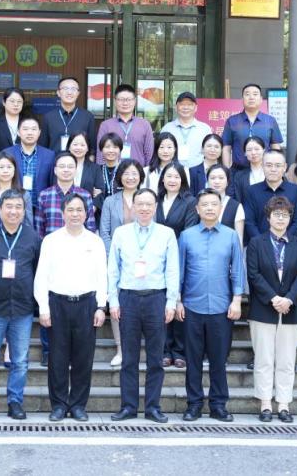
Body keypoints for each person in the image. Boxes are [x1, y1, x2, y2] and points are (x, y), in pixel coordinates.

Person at [34, 193, 108, 422]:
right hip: (58, 303)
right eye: (71, 210)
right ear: (63, 213)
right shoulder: (51, 240)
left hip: (86, 304)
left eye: (79, 210)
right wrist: (43, 307)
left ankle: (77, 405)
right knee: (57, 358)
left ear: (86, 214)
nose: (75, 214)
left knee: (83, 358)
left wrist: (101, 306)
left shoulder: (95, 241)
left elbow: (102, 275)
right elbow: (41, 276)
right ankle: (58, 405)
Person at [108, 189, 179, 423]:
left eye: (149, 204)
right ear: (134, 207)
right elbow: (113, 269)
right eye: (140, 204)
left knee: (155, 359)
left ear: (155, 207)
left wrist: (171, 301)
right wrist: (113, 299)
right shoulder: (121, 233)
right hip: (128, 298)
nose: (144, 208)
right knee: (129, 358)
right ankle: (128, 407)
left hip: (156, 299)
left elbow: (172, 270)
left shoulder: (167, 234)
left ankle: (153, 407)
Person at [0, 189, 42, 421]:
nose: (13, 211)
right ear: (0, 209)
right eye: (9, 206)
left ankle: (15, 402)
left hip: (22, 309)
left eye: (18, 207)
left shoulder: (33, 237)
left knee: (20, 360)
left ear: (24, 210)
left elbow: (37, 269)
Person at [176, 189, 244, 422]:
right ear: (197, 209)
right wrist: (177, 300)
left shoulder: (230, 236)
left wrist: (237, 300)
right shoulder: (186, 236)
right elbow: (179, 270)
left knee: (218, 360)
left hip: (221, 306)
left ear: (220, 208)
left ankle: (218, 405)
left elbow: (238, 270)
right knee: (193, 360)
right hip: (191, 306)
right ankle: (194, 404)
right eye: (204, 204)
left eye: (214, 204)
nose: (209, 208)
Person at [32, 152, 98, 367]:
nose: (66, 170)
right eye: (62, 166)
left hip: (80, 255)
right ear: (55, 170)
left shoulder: (84, 195)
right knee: (51, 300)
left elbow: (91, 227)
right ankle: (47, 349)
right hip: (53, 255)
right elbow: (38, 228)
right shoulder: (45, 195)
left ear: (76, 170)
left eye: (71, 166)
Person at [246, 196, 297, 423]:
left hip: (291, 310)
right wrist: (273, 298)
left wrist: (289, 299)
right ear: (268, 217)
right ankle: (265, 403)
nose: (280, 219)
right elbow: (253, 275)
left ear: (290, 218)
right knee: (264, 358)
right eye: (276, 214)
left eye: (285, 215)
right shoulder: (256, 243)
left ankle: (283, 403)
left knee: (286, 360)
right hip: (263, 308)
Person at [97, 159, 145, 367]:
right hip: (116, 260)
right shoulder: (110, 201)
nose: (130, 177)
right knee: (116, 305)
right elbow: (105, 232)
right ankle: (120, 349)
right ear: (119, 177)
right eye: (126, 173)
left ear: (140, 176)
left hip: (142, 261)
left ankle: (136, 349)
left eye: (134, 173)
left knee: (139, 305)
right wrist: (113, 258)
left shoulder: (147, 198)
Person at [155, 162, 198, 368]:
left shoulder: (190, 201)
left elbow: (189, 231)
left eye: (176, 177)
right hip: (156, 259)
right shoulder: (155, 199)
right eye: (169, 176)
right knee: (162, 302)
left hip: (180, 257)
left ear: (183, 180)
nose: (172, 180)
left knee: (179, 302)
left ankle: (179, 351)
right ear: (162, 179)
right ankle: (164, 349)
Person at [243, 149, 297, 243]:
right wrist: (262, 243)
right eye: (269, 165)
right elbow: (249, 222)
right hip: (259, 246)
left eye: (278, 165)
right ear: (262, 166)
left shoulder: (296, 190)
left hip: (289, 244)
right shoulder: (251, 191)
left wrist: (284, 240)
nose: (273, 169)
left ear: (285, 167)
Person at [222, 84, 283, 170]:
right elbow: (226, 148)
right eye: (247, 94)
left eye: (255, 94)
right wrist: (227, 171)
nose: (251, 97)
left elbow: (275, 147)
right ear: (242, 99)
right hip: (238, 171)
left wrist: (276, 169)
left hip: (264, 171)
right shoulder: (232, 121)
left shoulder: (270, 121)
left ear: (261, 99)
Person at [4, 114, 55, 210]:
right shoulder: (7, 153)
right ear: (18, 132)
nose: (30, 133)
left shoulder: (49, 155)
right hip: (15, 207)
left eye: (33, 129)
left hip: (41, 207)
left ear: (39, 132)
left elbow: (52, 182)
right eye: (25, 129)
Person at [96, 83, 154, 166]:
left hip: (138, 172)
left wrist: (147, 172)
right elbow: (100, 154)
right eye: (121, 99)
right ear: (115, 101)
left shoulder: (144, 125)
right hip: (112, 172)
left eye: (129, 99)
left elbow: (149, 155)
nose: (125, 103)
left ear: (135, 101)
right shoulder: (106, 125)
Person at [41, 76, 97, 154]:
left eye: (73, 89)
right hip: (54, 161)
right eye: (65, 88)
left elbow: (92, 147)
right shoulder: (48, 117)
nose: (69, 92)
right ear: (58, 93)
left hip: (79, 160)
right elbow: (43, 146)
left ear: (78, 93)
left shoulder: (88, 117)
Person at [160, 91, 211, 169]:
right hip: (173, 172)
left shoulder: (205, 129)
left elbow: (210, 153)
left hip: (198, 172)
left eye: (189, 105)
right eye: (182, 104)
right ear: (176, 107)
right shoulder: (167, 128)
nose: (185, 107)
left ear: (196, 108)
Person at [67, 131, 105, 213]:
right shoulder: (62, 166)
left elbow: (100, 192)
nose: (78, 148)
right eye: (75, 144)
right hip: (64, 211)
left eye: (82, 145)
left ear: (87, 148)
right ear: (69, 146)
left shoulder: (95, 168)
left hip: (89, 211)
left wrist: (92, 208)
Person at [206, 164, 244, 246]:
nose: (217, 181)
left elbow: (239, 239)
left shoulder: (236, 206)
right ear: (207, 181)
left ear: (227, 182)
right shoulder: (199, 204)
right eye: (213, 178)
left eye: (221, 178)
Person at [0, 87, 25, 159]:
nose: (16, 104)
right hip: (1, 165)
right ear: (4, 102)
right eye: (12, 101)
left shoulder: (28, 123)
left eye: (19, 101)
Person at [231, 136, 266, 202]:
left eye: (257, 149)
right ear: (245, 153)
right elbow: (238, 199)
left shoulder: (272, 171)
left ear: (264, 150)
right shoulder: (239, 176)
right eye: (249, 150)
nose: (253, 153)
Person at [95, 133, 124, 206]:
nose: (111, 150)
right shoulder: (96, 170)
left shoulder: (125, 170)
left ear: (120, 149)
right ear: (101, 149)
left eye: (115, 147)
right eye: (107, 147)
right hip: (100, 210)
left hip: (121, 210)